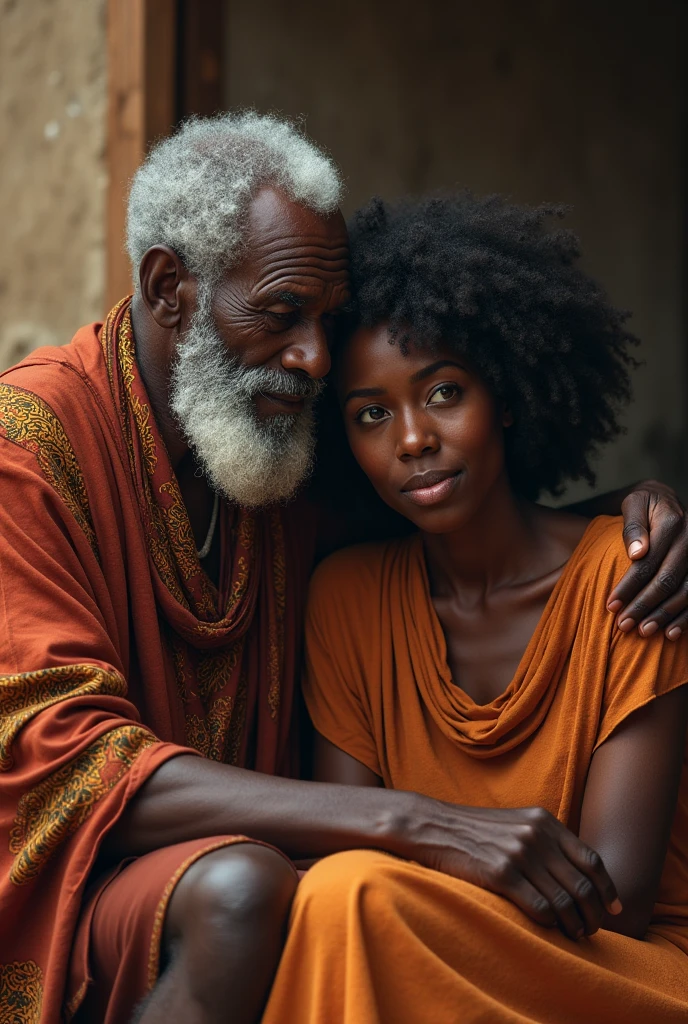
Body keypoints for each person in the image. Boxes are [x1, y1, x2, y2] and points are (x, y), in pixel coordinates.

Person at [0, 116, 686, 1024]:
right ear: (171, 288)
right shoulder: (30, 445)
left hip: (337, 886)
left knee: (294, 892)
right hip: (69, 873)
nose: (314, 358)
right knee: (264, 891)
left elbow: (459, 504)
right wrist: (418, 821)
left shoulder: (273, 441)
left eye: (325, 320)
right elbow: (65, 755)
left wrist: (630, 509)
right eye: (283, 314)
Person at [259, 193, 688, 1023]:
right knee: (342, 895)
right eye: (372, 415)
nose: (412, 438)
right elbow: (347, 845)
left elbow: (616, 896)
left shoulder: (633, 575)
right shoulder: (348, 600)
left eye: (445, 392)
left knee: (352, 897)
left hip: (622, 973)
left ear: (511, 394)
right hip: (411, 941)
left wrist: (417, 860)